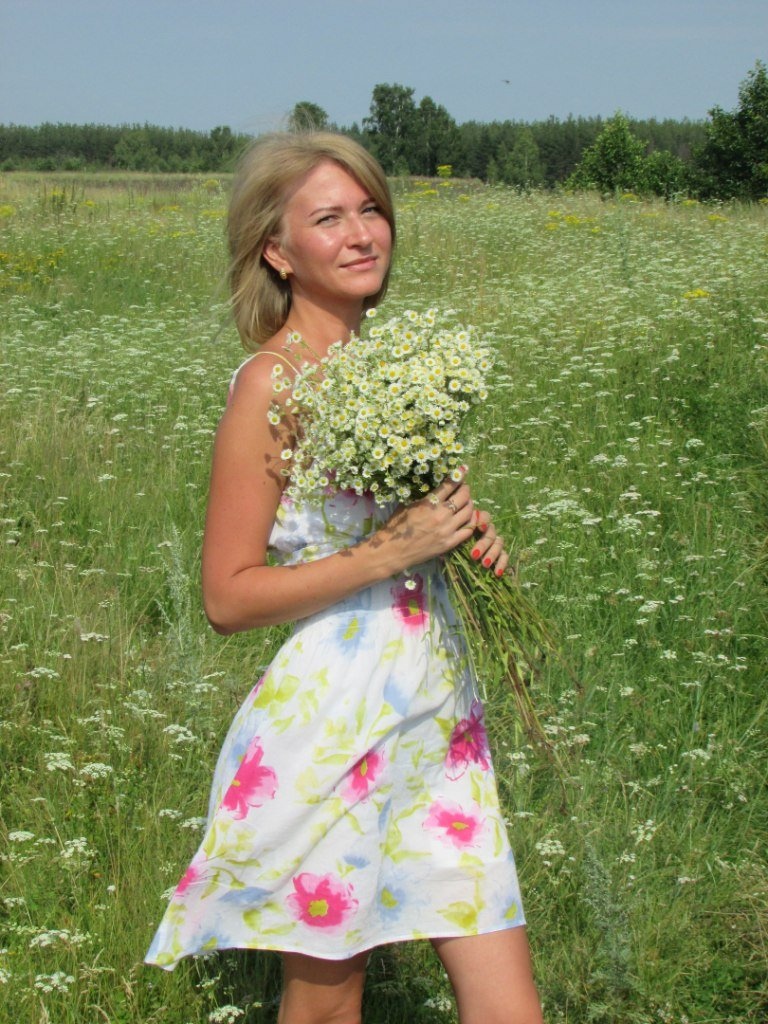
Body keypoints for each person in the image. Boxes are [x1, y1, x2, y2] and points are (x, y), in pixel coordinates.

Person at [145, 132, 544, 1024]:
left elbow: (408, 529)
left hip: (439, 715)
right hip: (333, 722)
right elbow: (226, 596)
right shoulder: (271, 384)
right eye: (329, 218)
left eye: (371, 209)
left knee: (511, 1006)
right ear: (278, 252)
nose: (362, 233)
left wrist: (463, 540)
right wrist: (387, 554)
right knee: (328, 1008)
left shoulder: (395, 374)